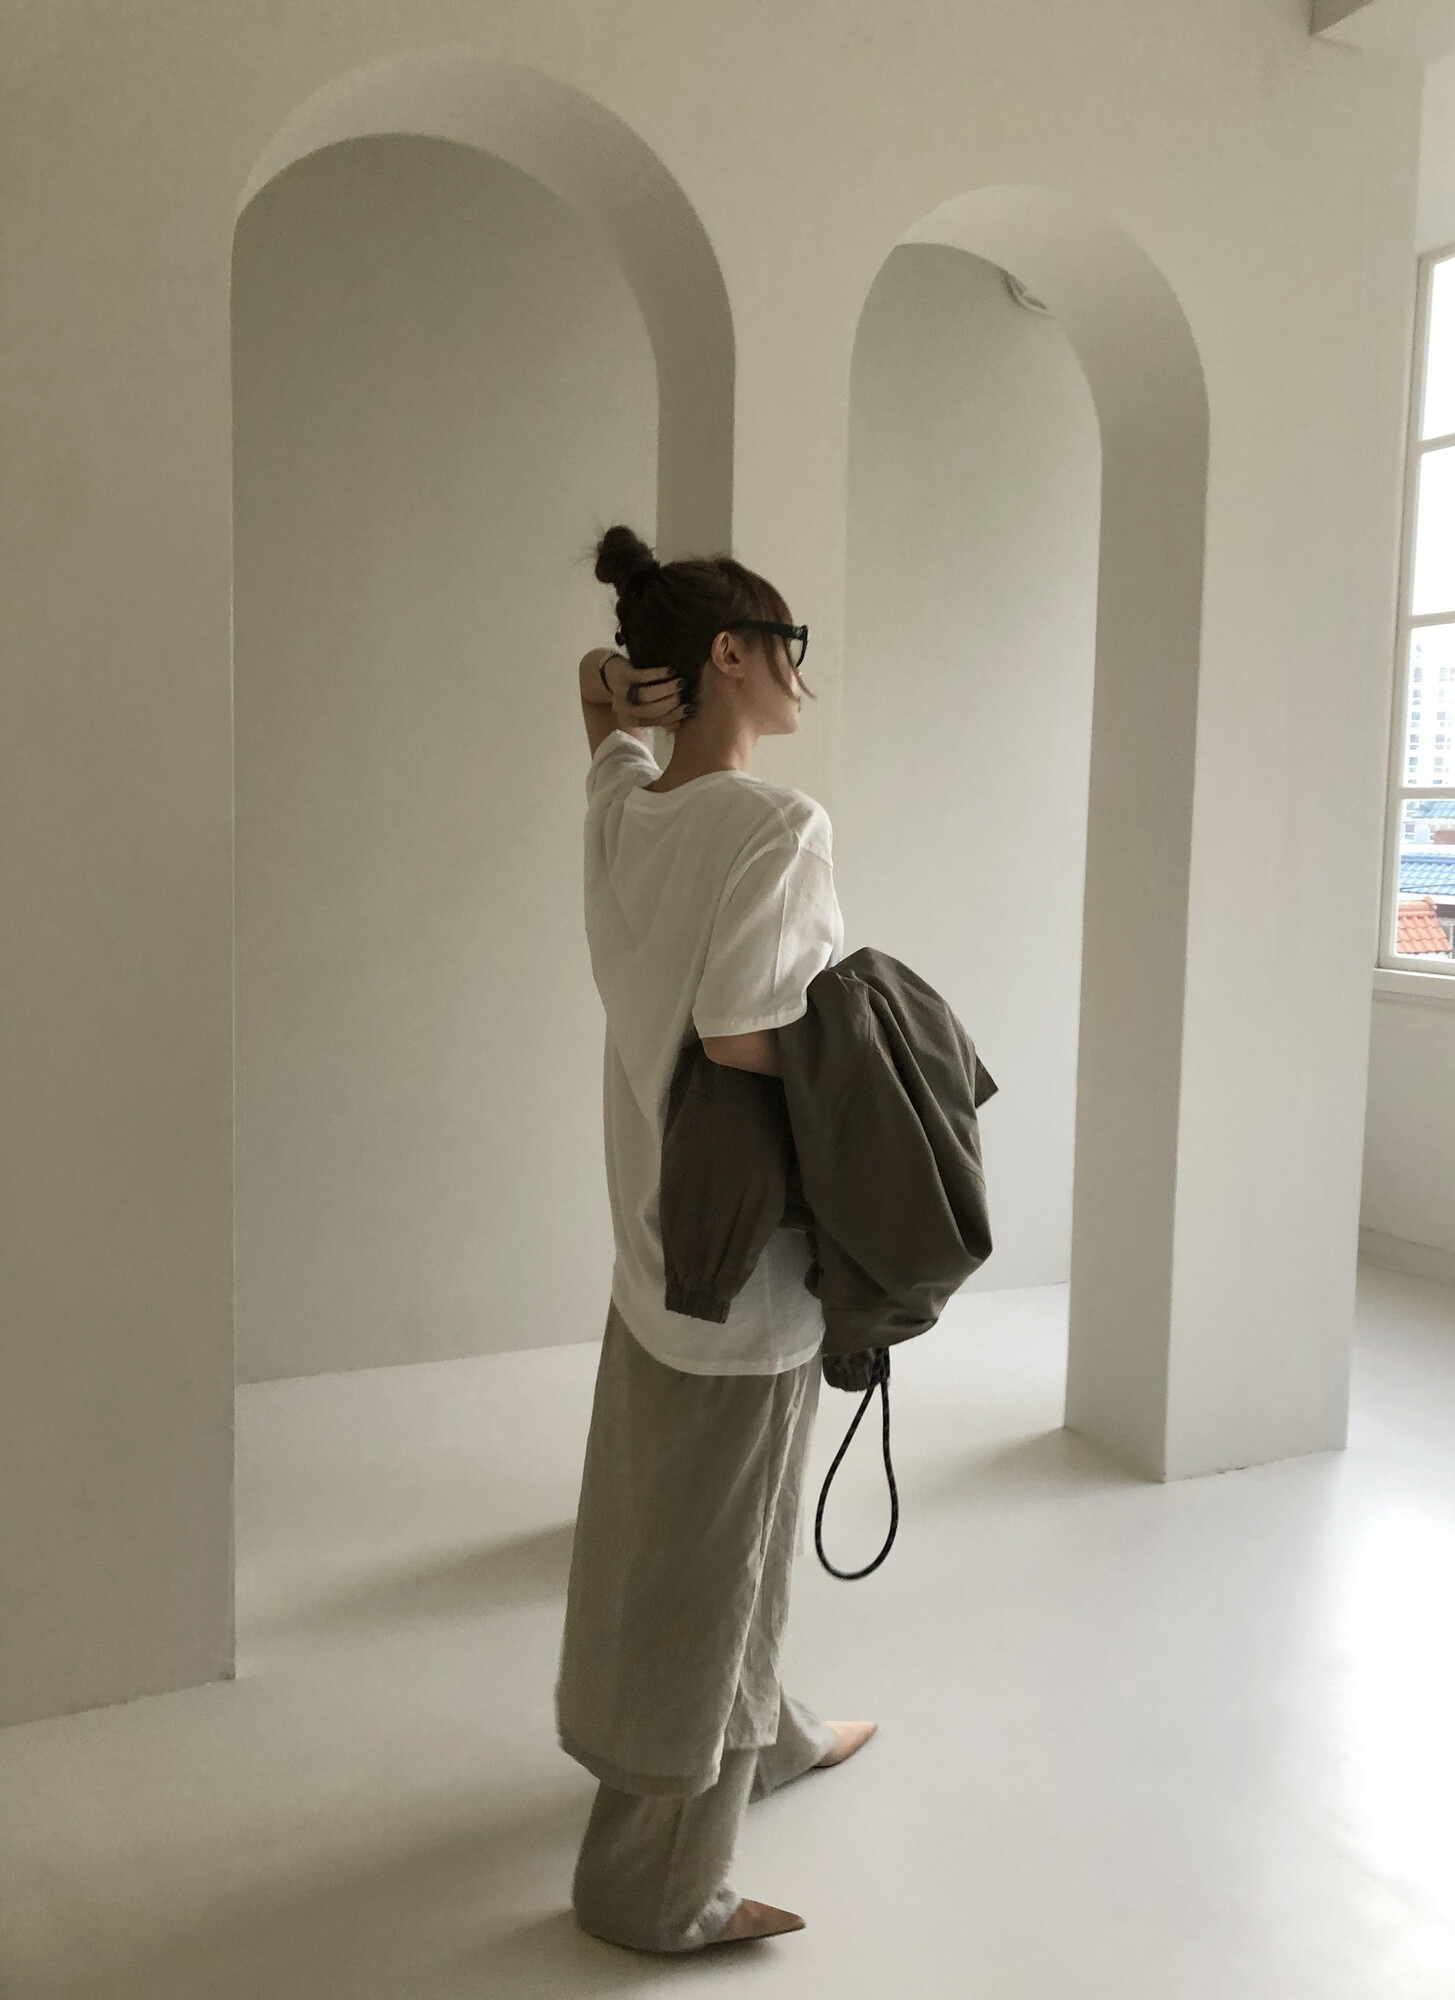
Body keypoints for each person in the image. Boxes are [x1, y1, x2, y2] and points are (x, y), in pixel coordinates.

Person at [554, 525, 878, 1955]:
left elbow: (601, 728)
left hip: (655, 1228)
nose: (803, 669)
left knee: (684, 1527)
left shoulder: (626, 810)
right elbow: (747, 1035)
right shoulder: (776, 827)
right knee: (708, 1561)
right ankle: (651, 1885)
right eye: (786, 643)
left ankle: (775, 1731)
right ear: (732, 656)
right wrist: (877, 1050)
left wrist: (616, 696)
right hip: (745, 1258)